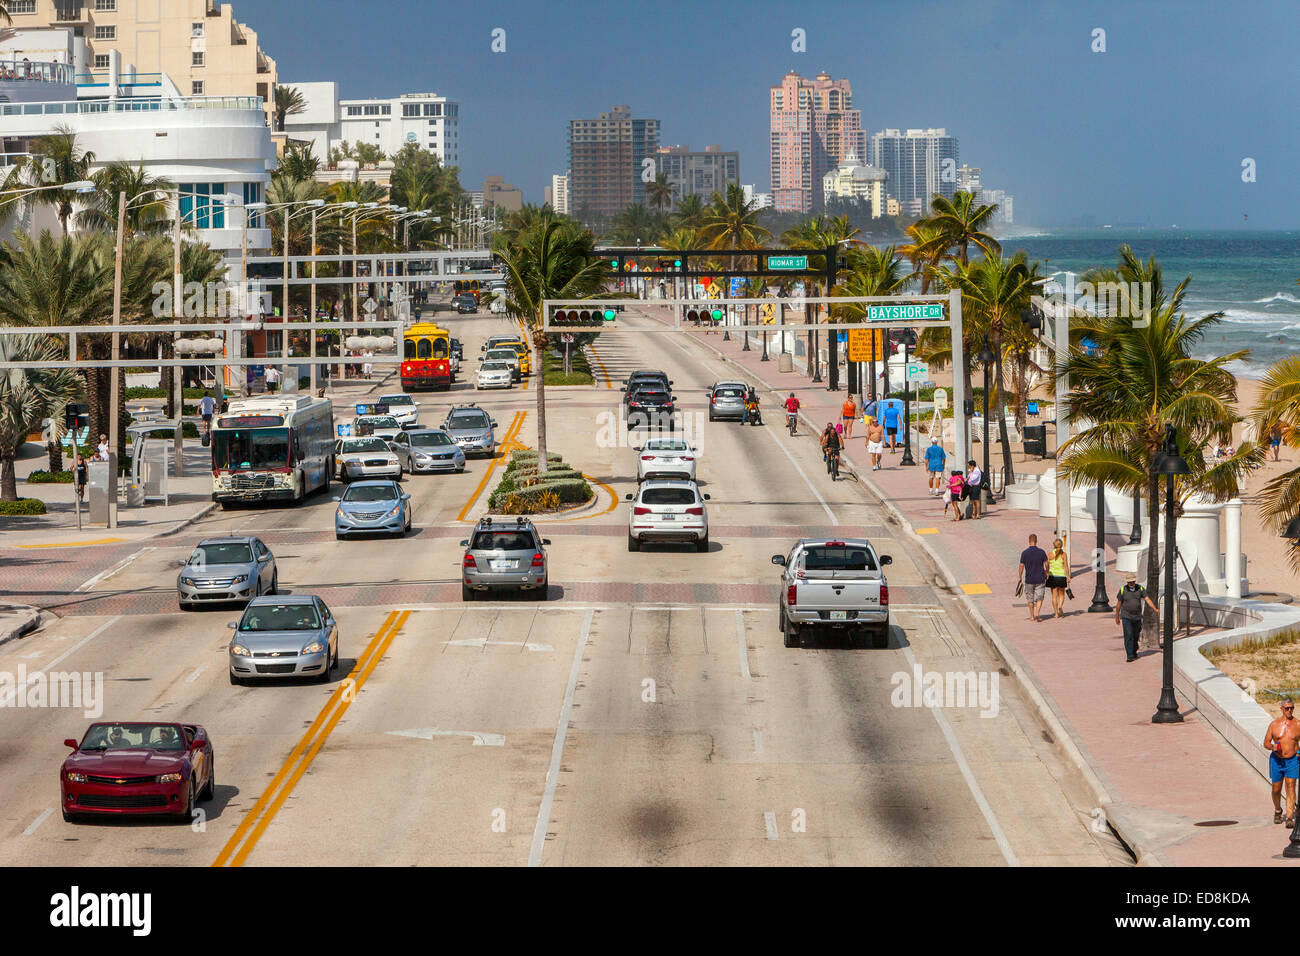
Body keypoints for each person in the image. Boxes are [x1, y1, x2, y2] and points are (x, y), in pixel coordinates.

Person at [1265, 699, 1300, 826]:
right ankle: (1278, 810)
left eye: (1292, 708)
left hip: (1292, 760)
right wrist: (1272, 746)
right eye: (1287, 708)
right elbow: (1266, 742)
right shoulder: (1274, 725)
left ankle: (1290, 817)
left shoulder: (1297, 724)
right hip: (1277, 760)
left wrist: (1299, 751)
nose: (1289, 710)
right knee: (1276, 788)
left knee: (1290, 787)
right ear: (1282, 709)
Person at [1114, 571, 1159, 661]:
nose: (1131, 583)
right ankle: (1129, 655)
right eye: (1129, 582)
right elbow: (1119, 604)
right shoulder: (1123, 590)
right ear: (1127, 582)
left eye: (1132, 581)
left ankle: (1134, 650)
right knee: (1128, 634)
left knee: (1135, 635)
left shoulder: (1140, 589)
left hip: (1137, 617)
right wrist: (1117, 616)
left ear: (1135, 581)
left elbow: (1147, 599)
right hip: (1126, 616)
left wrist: (1154, 608)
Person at [1018, 534, 1050, 622]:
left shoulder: (1024, 553)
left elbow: (1021, 566)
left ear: (1029, 541)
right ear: (1036, 541)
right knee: (1040, 597)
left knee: (1030, 598)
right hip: (1040, 578)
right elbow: (1047, 564)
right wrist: (1047, 572)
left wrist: (1020, 576)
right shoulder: (1042, 552)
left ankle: (1032, 616)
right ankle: (1037, 613)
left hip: (1029, 579)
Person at [1045, 538, 1069, 618]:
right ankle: (1060, 606)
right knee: (1061, 594)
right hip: (1061, 576)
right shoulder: (1064, 554)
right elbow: (1066, 566)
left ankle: (1056, 614)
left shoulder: (1049, 554)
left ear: (1054, 545)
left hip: (1052, 577)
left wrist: (1047, 573)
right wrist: (1068, 576)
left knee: (1054, 596)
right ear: (1061, 545)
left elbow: (1047, 565)